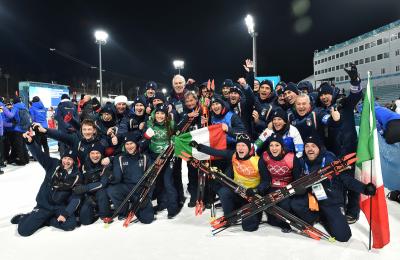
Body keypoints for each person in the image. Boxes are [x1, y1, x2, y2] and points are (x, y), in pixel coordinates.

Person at [290, 135, 376, 242]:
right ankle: (316, 217)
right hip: (313, 197)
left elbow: (346, 179)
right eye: (307, 146)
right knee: (295, 203)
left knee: (343, 236)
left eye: (313, 146)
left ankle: (327, 217)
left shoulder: (329, 159)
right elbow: (298, 180)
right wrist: (300, 188)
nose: (310, 149)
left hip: (331, 201)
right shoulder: (302, 161)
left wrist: (364, 188)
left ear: (319, 148)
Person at [190, 134, 269, 232]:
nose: (240, 148)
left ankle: (252, 213)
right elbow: (216, 152)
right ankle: (230, 215)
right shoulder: (233, 155)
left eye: (243, 146)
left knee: (249, 227)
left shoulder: (258, 161)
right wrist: (199, 147)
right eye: (238, 145)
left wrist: (256, 189)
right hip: (238, 191)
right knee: (224, 191)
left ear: (249, 148)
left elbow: (266, 181)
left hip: (252, 195)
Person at [11, 130, 81, 236]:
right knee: (24, 231)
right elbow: (39, 155)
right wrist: (30, 143)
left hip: (59, 206)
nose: (66, 161)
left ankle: (47, 220)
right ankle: (25, 217)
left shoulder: (77, 175)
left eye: (70, 159)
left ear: (74, 162)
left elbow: (76, 197)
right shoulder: (53, 164)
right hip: (44, 205)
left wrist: (66, 213)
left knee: (71, 224)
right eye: (65, 158)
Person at [107, 131, 154, 223]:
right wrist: (109, 176)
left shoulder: (145, 157)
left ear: (136, 144)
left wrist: (147, 195)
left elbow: (152, 178)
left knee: (147, 219)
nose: (129, 146)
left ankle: (135, 205)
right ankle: (123, 211)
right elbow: (117, 178)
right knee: (112, 190)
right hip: (126, 188)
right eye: (127, 144)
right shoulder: (120, 158)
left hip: (140, 189)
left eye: (131, 143)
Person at [143, 104, 180, 218]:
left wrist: (175, 139)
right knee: (157, 181)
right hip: (154, 156)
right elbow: (144, 141)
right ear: (154, 114)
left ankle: (173, 207)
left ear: (166, 115)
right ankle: (162, 203)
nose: (160, 115)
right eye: (157, 113)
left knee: (167, 180)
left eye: (162, 113)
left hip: (168, 156)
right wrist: (146, 136)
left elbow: (178, 135)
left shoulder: (171, 124)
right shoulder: (150, 124)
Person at [261, 134, 302, 232]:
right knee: (271, 215)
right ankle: (273, 219)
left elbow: (296, 179)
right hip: (272, 185)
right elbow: (265, 179)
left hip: (287, 187)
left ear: (282, 146)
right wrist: (261, 188)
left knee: (284, 204)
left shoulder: (292, 158)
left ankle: (286, 223)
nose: (274, 148)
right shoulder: (264, 156)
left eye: (277, 145)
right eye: (271, 145)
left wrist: (293, 190)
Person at [74, 142, 112, 225]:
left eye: (97, 153)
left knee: (102, 192)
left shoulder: (106, 165)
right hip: (89, 195)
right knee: (85, 221)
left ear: (101, 154)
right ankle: (94, 210)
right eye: (92, 153)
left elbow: (103, 183)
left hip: (102, 193)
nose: (95, 156)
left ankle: (104, 215)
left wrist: (85, 188)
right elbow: (80, 181)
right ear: (89, 154)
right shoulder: (84, 165)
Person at [0, 96, 31, 165]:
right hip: (24, 128)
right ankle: (26, 159)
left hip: (18, 129)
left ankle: (22, 161)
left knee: (18, 146)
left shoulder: (15, 107)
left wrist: (4, 109)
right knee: (23, 145)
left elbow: (10, 115)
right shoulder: (24, 106)